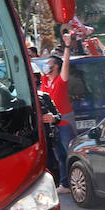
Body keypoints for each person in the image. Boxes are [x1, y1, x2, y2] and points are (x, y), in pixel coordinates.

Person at [40, 34, 75, 186]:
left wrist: (67, 46)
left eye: (48, 64)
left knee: (69, 154)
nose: (45, 66)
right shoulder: (45, 81)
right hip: (53, 124)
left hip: (65, 122)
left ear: (55, 67)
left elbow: (66, 62)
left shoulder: (61, 81)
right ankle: (65, 184)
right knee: (59, 155)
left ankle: (75, 181)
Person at [36, 72, 64, 186]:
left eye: (35, 77)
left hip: (46, 141)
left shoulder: (44, 96)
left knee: (50, 167)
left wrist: (52, 118)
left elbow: (58, 116)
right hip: (29, 142)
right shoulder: (17, 99)